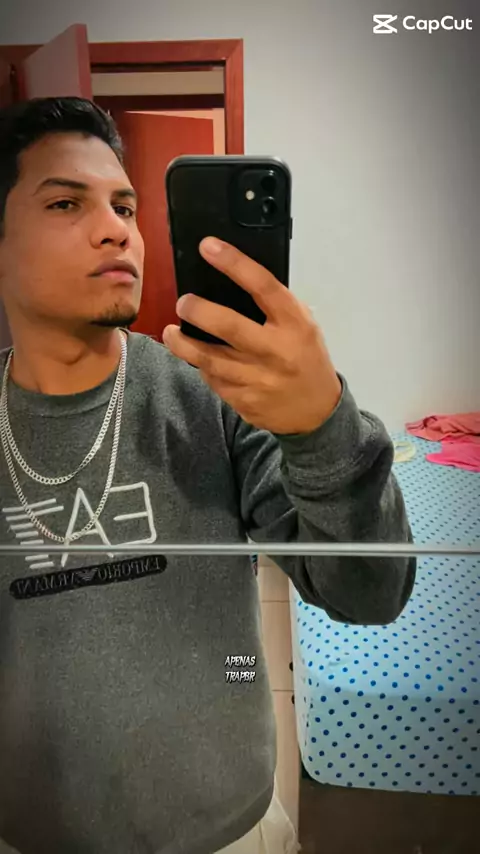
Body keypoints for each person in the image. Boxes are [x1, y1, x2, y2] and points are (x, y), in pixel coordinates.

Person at [0, 97, 415, 854]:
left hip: (232, 830)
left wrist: (320, 427)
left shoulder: (211, 394)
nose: (116, 229)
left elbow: (371, 593)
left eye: (125, 206)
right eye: (65, 202)